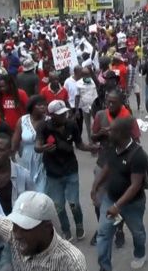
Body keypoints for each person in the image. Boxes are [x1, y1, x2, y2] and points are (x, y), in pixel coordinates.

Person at [35, 100, 99, 241]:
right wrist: (43, 148)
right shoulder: (43, 127)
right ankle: (66, 229)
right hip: (53, 172)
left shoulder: (71, 125)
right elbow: (37, 146)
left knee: (74, 202)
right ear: (51, 115)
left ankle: (79, 225)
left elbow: (80, 144)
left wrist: (93, 148)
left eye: (64, 113)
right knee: (58, 204)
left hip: (70, 169)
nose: (64, 116)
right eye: (60, 114)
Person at [92, 117, 148, 271]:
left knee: (137, 233)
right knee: (104, 234)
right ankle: (105, 267)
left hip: (133, 205)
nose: (108, 132)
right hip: (110, 199)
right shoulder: (113, 147)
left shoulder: (138, 155)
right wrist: (95, 185)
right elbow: (108, 167)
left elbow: (135, 185)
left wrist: (118, 206)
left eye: (111, 131)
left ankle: (140, 254)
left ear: (122, 133)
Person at [91, 89, 141, 246]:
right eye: (108, 102)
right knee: (98, 202)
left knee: (118, 202)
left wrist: (117, 136)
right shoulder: (100, 115)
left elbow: (137, 142)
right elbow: (93, 137)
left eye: (113, 102)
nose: (110, 105)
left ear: (122, 103)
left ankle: (119, 230)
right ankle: (102, 228)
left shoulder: (128, 119)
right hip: (102, 163)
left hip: (121, 168)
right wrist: (101, 134)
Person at [0, 133, 34, 271]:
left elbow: (32, 204)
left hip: (12, 235)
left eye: (0, 150)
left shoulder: (23, 175)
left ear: (9, 151)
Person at [12, 95, 47, 193]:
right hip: (26, 157)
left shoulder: (48, 120)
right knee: (27, 187)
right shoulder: (22, 120)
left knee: (42, 189)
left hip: (43, 158)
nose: (43, 107)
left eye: (45, 105)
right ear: (32, 106)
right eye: (39, 105)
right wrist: (12, 155)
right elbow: (16, 139)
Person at [75, 67, 99, 141]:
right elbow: (77, 97)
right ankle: (91, 142)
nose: (86, 76)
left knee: (96, 125)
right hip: (85, 108)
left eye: (87, 74)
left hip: (95, 108)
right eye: (84, 74)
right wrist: (77, 110)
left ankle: (97, 140)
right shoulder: (78, 83)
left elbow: (99, 89)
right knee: (88, 126)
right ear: (82, 75)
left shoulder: (94, 82)